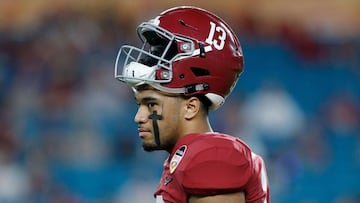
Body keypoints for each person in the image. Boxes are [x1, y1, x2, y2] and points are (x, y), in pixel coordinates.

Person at [114, 6, 270, 203]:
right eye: (140, 105)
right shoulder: (186, 155)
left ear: (191, 107)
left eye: (152, 105)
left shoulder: (211, 157)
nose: (139, 117)